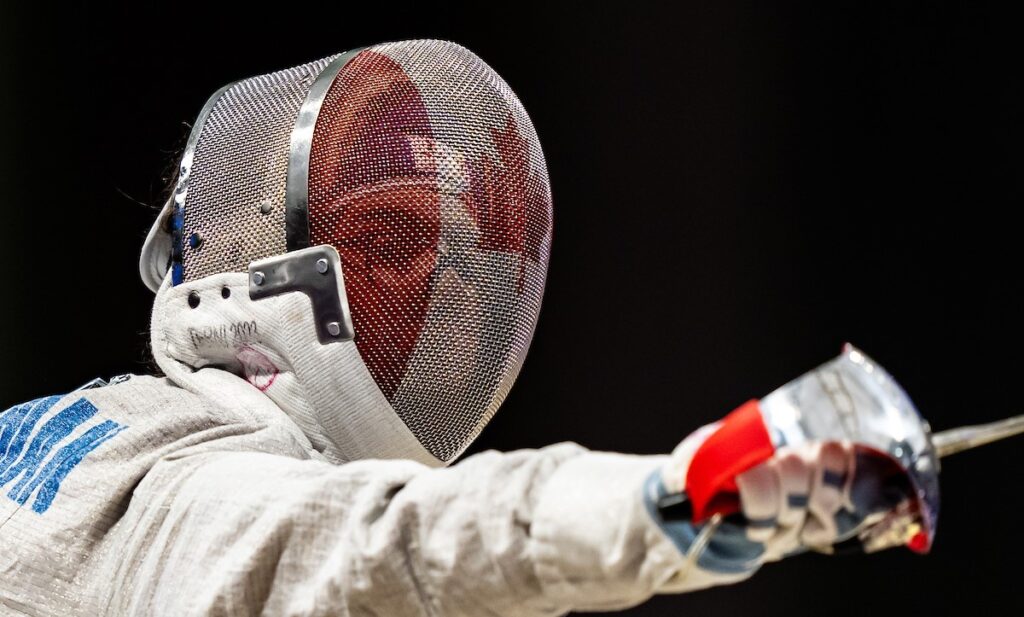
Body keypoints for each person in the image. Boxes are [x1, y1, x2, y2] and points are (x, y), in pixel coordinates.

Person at [0, 40, 932, 616]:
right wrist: (679, 496)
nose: (440, 291)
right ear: (243, 249)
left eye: (460, 260)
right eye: (393, 236)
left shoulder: (71, 438)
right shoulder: (190, 506)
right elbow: (401, 544)